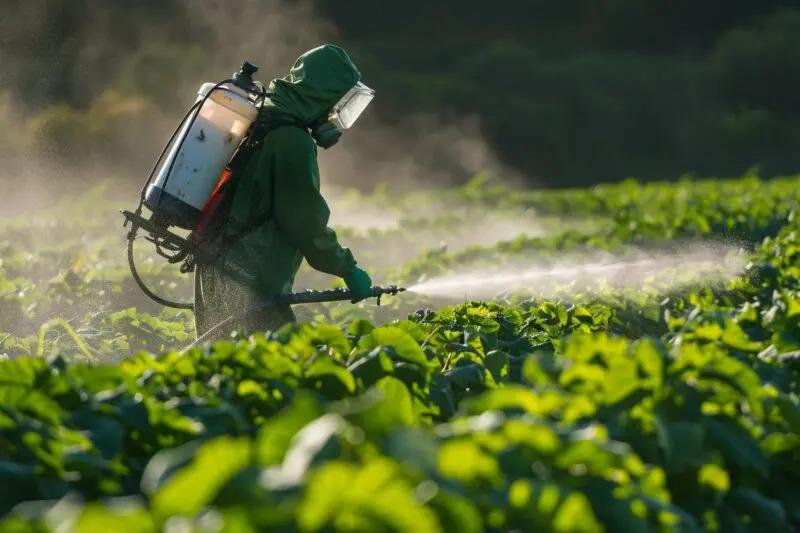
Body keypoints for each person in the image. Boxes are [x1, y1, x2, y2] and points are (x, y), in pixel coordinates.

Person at [193, 44, 374, 341]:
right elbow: (304, 220)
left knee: (222, 360)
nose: (334, 117)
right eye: (336, 105)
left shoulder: (264, 117)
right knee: (276, 365)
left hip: (217, 262)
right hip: (248, 275)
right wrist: (347, 268)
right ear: (322, 97)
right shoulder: (292, 140)